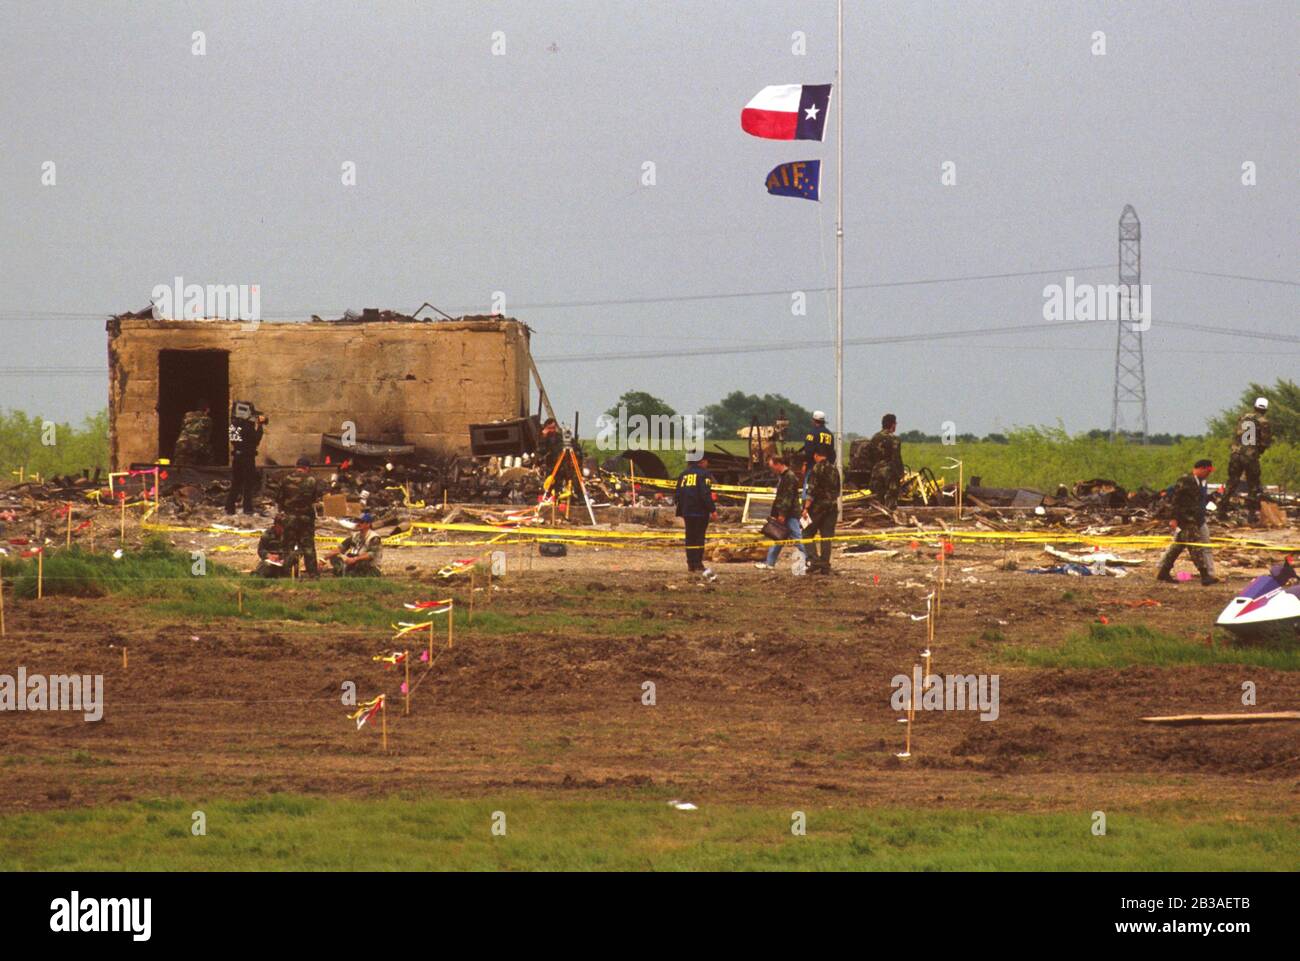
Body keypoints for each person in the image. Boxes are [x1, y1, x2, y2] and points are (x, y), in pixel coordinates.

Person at [1157, 458, 1219, 586]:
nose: (1209, 473)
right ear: (1201, 468)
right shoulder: (1186, 480)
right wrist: (1173, 518)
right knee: (1195, 546)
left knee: (1178, 546)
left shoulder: (1200, 482)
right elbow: (1175, 499)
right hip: (1185, 518)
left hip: (1194, 519)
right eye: (1207, 471)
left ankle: (1163, 571)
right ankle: (1205, 575)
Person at [1220, 397, 1272, 517]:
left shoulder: (1243, 417)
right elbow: (1265, 442)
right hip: (1250, 456)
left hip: (1236, 454)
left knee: (1232, 481)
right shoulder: (1263, 421)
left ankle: (1221, 509)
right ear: (1265, 409)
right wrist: (1258, 451)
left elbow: (1237, 434)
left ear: (1254, 407)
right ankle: (1251, 514)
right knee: (1253, 485)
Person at [755, 453, 806, 571]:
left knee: (797, 538)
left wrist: (782, 514)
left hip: (790, 513)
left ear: (778, 464)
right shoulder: (784, 476)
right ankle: (770, 563)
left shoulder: (789, 477)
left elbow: (787, 497)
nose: (772, 469)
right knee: (778, 538)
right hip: (786, 512)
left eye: (772, 467)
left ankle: (810, 560)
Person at [675, 451, 718, 580]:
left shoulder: (683, 475)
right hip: (700, 511)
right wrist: (713, 509)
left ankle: (691, 563)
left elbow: (677, 494)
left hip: (687, 511)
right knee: (699, 537)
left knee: (690, 537)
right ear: (702, 461)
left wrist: (682, 509)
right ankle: (698, 563)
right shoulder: (704, 474)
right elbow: (705, 494)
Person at [276, 456, 320, 577]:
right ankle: (313, 574)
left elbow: (279, 499)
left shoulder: (286, 479)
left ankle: (286, 574)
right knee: (308, 547)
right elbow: (315, 499)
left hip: (289, 518)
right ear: (307, 468)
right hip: (306, 519)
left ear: (296, 467)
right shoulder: (312, 480)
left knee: (288, 547)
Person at [803, 448, 841, 575]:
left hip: (817, 507)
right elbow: (838, 490)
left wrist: (806, 508)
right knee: (826, 537)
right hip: (832, 507)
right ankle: (825, 565)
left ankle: (815, 561)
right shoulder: (835, 470)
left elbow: (811, 491)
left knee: (806, 532)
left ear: (816, 455)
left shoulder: (816, 469)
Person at [226, 405, 267, 515]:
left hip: (237, 457)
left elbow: (234, 440)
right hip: (247, 457)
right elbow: (256, 439)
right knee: (248, 483)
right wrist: (260, 426)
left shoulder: (233, 425)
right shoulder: (247, 426)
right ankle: (247, 508)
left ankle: (229, 507)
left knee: (236, 482)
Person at [866, 413, 904, 509]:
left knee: (877, 498)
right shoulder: (895, 439)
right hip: (890, 472)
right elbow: (896, 458)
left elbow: (869, 456)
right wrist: (901, 473)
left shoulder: (874, 437)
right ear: (892, 424)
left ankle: (877, 518)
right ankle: (889, 518)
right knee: (891, 498)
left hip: (876, 471)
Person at [172, 399, 213, 466]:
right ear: (207, 409)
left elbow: (182, 428)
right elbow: (207, 437)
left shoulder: (187, 415)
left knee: (178, 467)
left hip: (181, 444)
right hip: (195, 446)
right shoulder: (207, 419)